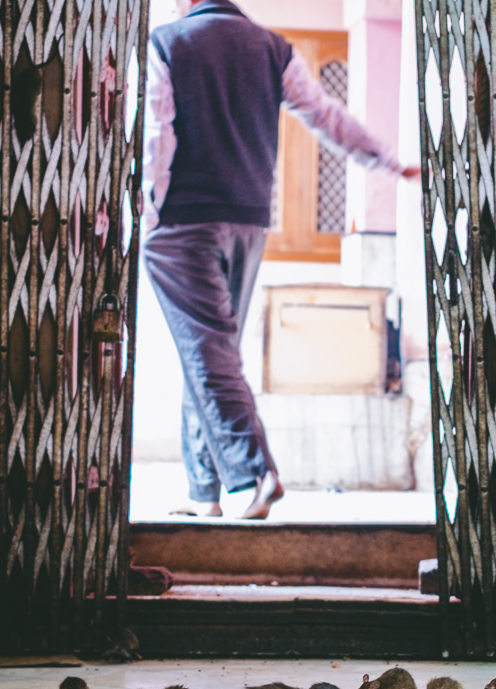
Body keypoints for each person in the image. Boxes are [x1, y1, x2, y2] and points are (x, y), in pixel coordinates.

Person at [143, 0, 417, 519]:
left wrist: (149, 216)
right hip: (247, 221)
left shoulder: (168, 43)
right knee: (209, 350)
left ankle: (251, 473)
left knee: (206, 353)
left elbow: (158, 138)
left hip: (182, 222)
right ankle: (205, 493)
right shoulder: (272, 48)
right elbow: (326, 115)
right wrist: (387, 159)